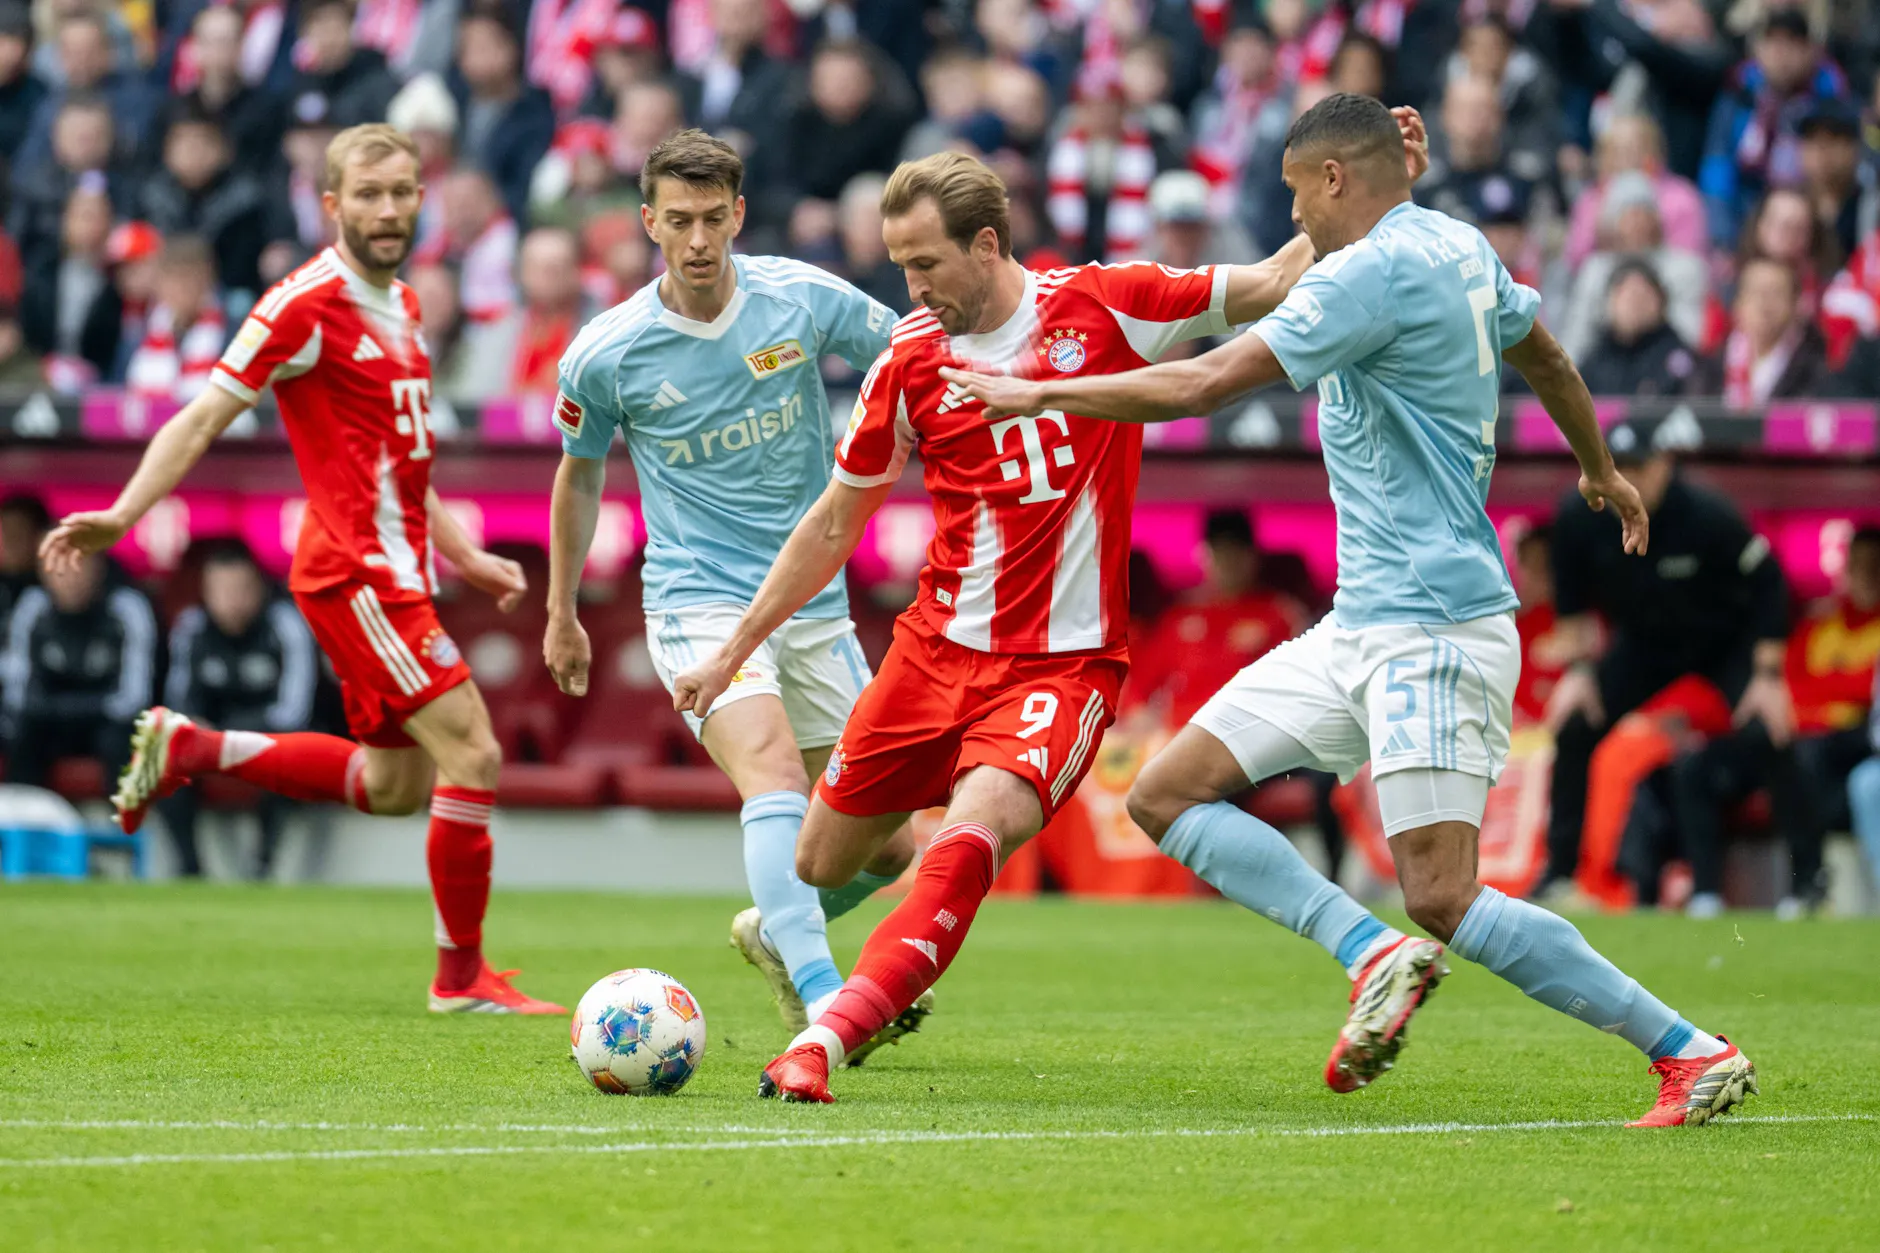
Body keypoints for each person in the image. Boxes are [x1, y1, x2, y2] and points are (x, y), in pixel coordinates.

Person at [943, 93, 1753, 1129]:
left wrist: (1043, 393)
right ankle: (1367, 950)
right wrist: (1598, 469)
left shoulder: (1367, 273)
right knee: (1165, 792)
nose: (1293, 221)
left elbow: (1203, 384)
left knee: (1440, 892)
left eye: (1295, 193)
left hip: (1434, 628)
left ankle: (1689, 1050)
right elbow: (1543, 352)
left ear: (1333, 179)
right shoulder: (1455, 246)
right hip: (1358, 621)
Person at [668, 122, 1425, 1104]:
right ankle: (786, 928)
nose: (912, 288)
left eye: (926, 262)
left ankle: (827, 1039)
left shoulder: (1103, 304)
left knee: (969, 835)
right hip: (930, 656)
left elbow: (1273, 279)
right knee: (819, 859)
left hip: (1057, 672)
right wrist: (734, 647)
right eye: (899, 265)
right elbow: (832, 521)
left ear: (987, 243)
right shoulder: (907, 358)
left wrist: (1372, 176)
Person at [39, 123, 560, 1017]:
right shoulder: (302, 303)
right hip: (356, 572)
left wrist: (464, 551)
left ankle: (197, 746)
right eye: (368, 194)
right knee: (473, 750)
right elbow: (203, 416)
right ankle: (459, 976)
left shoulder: (403, 303)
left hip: (392, 568)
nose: (389, 209)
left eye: (402, 192)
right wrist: (124, 512)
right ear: (331, 206)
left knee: (396, 786)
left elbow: (405, 458)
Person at [545, 130, 926, 1059]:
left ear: (739, 215)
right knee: (776, 778)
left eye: (714, 218)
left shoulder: (801, 299)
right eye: (679, 221)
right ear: (649, 224)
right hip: (696, 602)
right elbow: (580, 474)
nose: (699, 238)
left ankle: (775, 926)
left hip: (812, 600)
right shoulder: (610, 352)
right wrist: (561, 611)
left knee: (886, 841)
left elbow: (912, 351)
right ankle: (828, 996)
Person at [1540, 421, 1790, 918]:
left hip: (1721, 642)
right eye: (1619, 467)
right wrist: (1581, 671)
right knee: (1575, 726)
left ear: (1665, 466)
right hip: (1644, 646)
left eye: (1640, 468)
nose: (1630, 479)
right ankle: (1560, 877)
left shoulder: (1706, 512)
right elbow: (1571, 608)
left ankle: (1808, 884)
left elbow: (1769, 583)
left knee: (1769, 730)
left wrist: (1767, 676)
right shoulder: (1580, 515)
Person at [1667, 525, 1880, 919]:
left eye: (1875, 566)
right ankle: (1706, 894)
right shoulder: (1819, 626)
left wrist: (1816, 695)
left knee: (1804, 759)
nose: (1866, 574)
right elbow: (1785, 683)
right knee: (1695, 765)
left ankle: (1807, 888)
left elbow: (1864, 690)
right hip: (1790, 735)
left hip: (1843, 747)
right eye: (1859, 564)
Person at [156, 540, 321, 879]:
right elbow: (178, 701)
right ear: (206, 591)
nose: (232, 600)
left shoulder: (286, 624)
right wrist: (199, 729)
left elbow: (294, 712)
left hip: (268, 734)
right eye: (221, 590)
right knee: (166, 749)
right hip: (213, 734)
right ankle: (190, 868)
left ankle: (264, 867)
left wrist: (224, 735)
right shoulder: (192, 627)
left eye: (241, 589)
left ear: (258, 588)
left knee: (289, 752)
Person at [1, 550, 155, 791]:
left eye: (79, 566)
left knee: (125, 741)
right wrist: (55, 709)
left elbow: (133, 699)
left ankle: (125, 825)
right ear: (44, 570)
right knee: (24, 736)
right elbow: (20, 695)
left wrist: (65, 707)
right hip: (50, 722)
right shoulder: (32, 607)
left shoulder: (127, 607)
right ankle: (22, 823)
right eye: (60, 567)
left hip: (108, 723)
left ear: (99, 568)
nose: (71, 577)